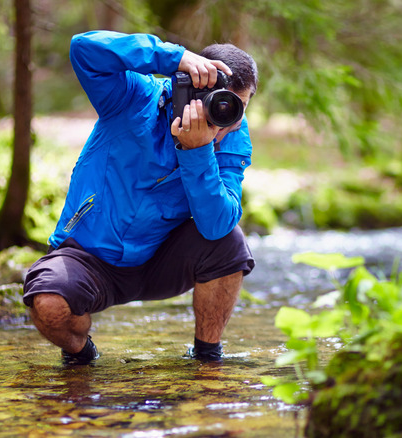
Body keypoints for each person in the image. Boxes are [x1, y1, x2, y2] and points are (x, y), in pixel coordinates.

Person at [22, 30, 258, 365]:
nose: (226, 117)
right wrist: (173, 57)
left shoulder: (232, 135)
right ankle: (81, 354)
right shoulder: (133, 97)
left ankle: (207, 358)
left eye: (238, 108)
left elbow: (217, 224)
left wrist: (199, 151)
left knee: (230, 243)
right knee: (48, 304)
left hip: (160, 259)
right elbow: (84, 49)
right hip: (90, 254)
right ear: (194, 84)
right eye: (220, 101)